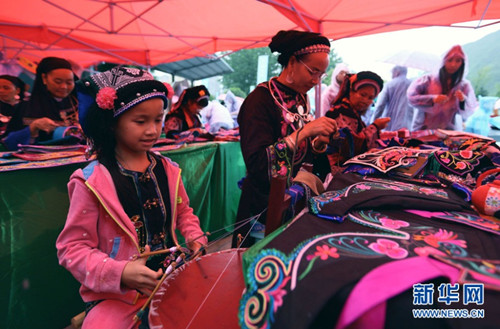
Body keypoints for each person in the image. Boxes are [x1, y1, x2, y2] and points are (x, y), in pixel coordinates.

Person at [56, 66, 207, 329]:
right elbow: (72, 249)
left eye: (158, 119)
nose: (152, 130)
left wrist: (195, 238)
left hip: (171, 279)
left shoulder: (169, 170)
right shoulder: (91, 181)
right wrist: (121, 272)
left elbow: (184, 212)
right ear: (112, 123)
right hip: (117, 295)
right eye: (140, 121)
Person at [233, 30, 338, 247]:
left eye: (321, 75)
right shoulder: (259, 101)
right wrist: (304, 132)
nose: (316, 81)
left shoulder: (301, 98)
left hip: (294, 200)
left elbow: (300, 151)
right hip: (263, 206)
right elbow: (258, 163)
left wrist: (316, 143)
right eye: (313, 72)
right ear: (292, 62)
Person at [2, 56, 80, 150]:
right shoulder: (26, 107)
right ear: (44, 78)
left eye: (69, 82)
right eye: (58, 81)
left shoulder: (79, 105)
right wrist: (32, 128)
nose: (64, 87)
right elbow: (7, 142)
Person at [325, 71, 390, 172]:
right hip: (335, 171)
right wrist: (375, 126)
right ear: (351, 91)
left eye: (370, 98)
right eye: (362, 94)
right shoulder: (341, 112)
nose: (365, 100)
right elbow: (351, 145)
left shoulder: (354, 113)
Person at [407, 45, 478, 131]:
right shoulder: (427, 80)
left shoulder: (464, 85)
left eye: (458, 61)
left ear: (462, 63)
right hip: (423, 130)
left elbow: (468, 110)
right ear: (443, 61)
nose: (453, 64)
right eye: (450, 60)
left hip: (448, 132)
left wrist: (462, 100)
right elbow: (411, 97)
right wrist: (432, 99)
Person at [373, 65, 414, 131]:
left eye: (392, 72)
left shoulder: (389, 84)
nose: (391, 75)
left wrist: (373, 123)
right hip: (408, 127)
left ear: (397, 72)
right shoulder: (413, 85)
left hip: (389, 127)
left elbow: (380, 106)